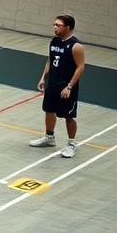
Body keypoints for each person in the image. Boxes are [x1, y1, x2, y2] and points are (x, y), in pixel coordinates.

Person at [30, 14, 86, 159]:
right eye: (54, 25)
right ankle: (49, 137)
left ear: (68, 27)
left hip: (66, 86)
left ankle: (71, 143)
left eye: (58, 25)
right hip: (53, 83)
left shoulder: (76, 46)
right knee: (49, 110)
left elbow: (80, 67)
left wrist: (69, 87)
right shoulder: (54, 41)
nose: (55, 27)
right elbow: (50, 59)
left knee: (68, 115)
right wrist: (43, 77)